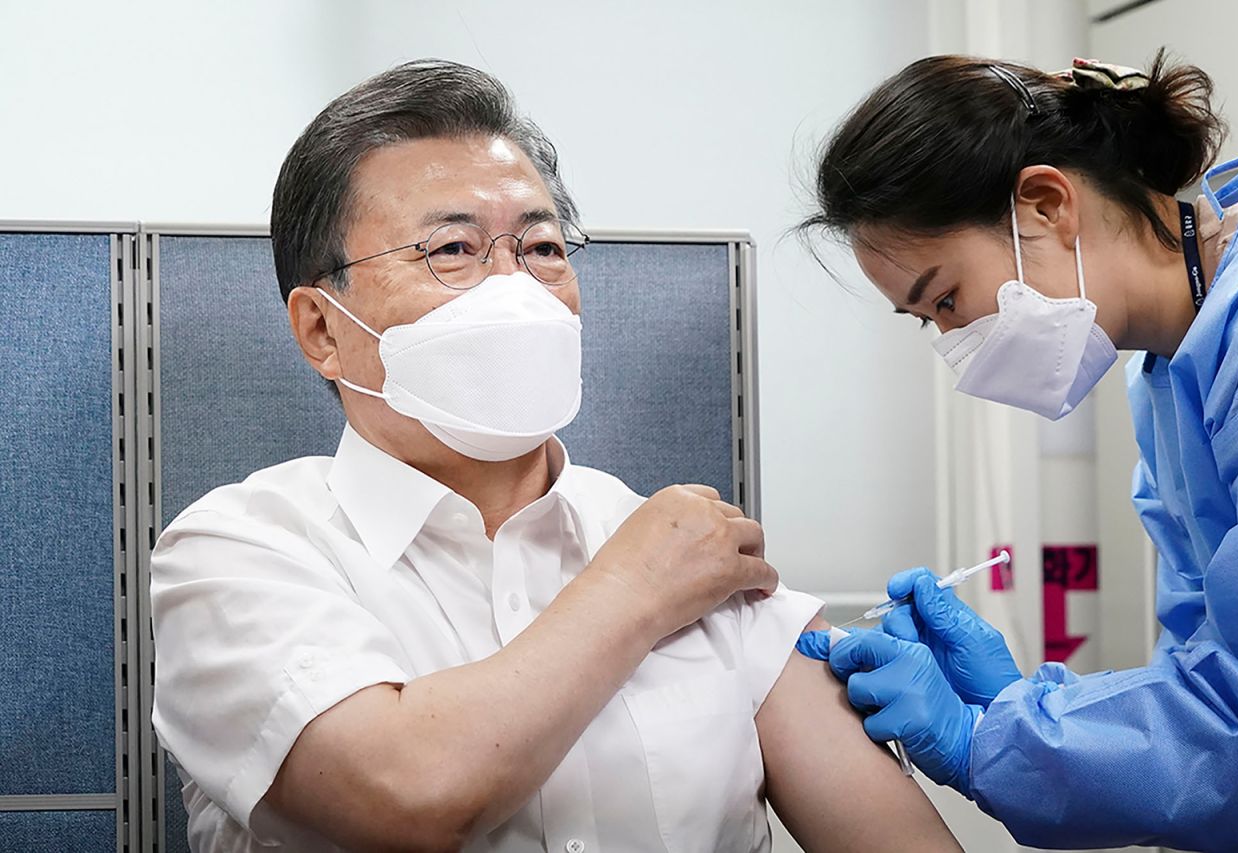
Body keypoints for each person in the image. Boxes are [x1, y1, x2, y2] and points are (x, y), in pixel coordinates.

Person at [150, 59, 959, 852]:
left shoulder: (696, 547)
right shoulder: (240, 551)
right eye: (452, 250)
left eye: (540, 247)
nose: (517, 287)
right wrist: (634, 588)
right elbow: (401, 795)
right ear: (323, 330)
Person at [795, 50, 1238, 850]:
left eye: (946, 298)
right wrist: (1020, 702)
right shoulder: (1171, 371)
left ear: (1048, 204)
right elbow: (1211, 666)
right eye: (927, 321)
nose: (953, 343)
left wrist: (997, 739)